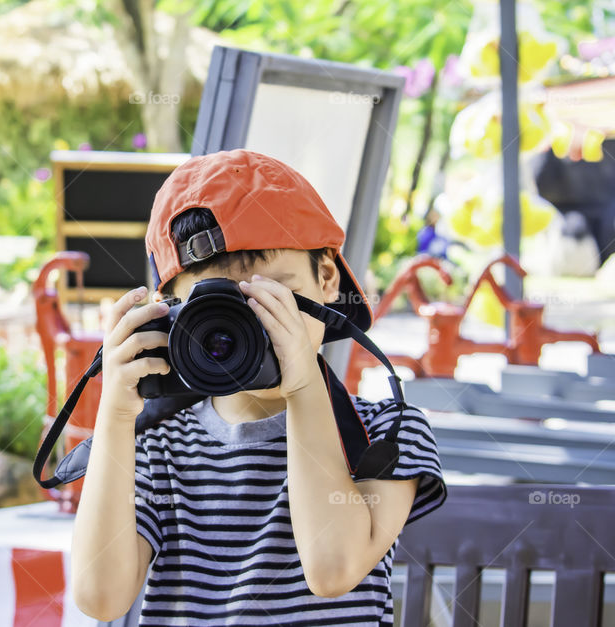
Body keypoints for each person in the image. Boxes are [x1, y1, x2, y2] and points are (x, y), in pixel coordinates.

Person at [70, 149, 447, 626]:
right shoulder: (159, 445)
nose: (251, 326)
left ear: (327, 277)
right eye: (220, 306)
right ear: (173, 315)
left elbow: (332, 569)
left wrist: (304, 386)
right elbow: (99, 598)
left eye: (271, 295)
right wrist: (116, 416)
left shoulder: (386, 433)